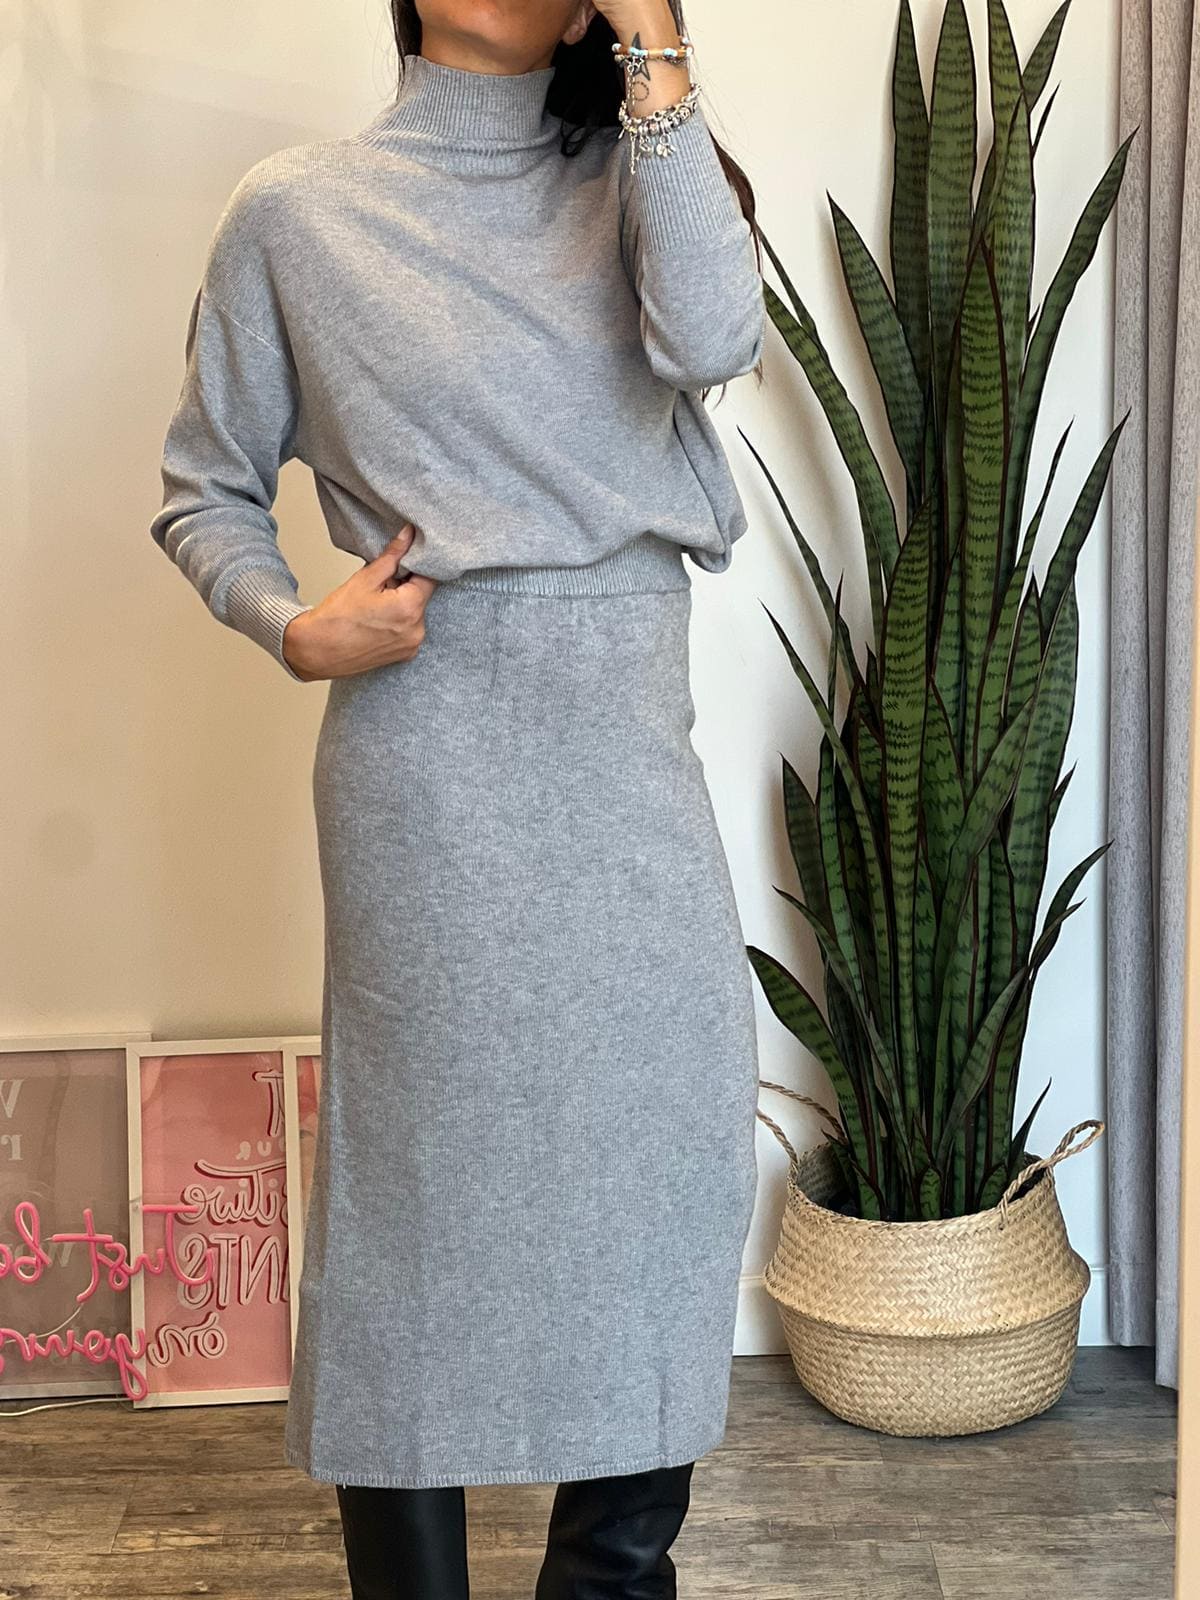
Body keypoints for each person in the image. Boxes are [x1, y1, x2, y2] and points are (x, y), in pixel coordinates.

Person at [149, 1, 765, 1594]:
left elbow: (715, 339)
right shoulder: (298, 212)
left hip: (626, 738)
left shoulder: (646, 180)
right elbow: (206, 485)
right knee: (415, 1206)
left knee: (662, 1170)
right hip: (426, 758)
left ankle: (610, 1580)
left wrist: (660, 50)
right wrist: (294, 626)